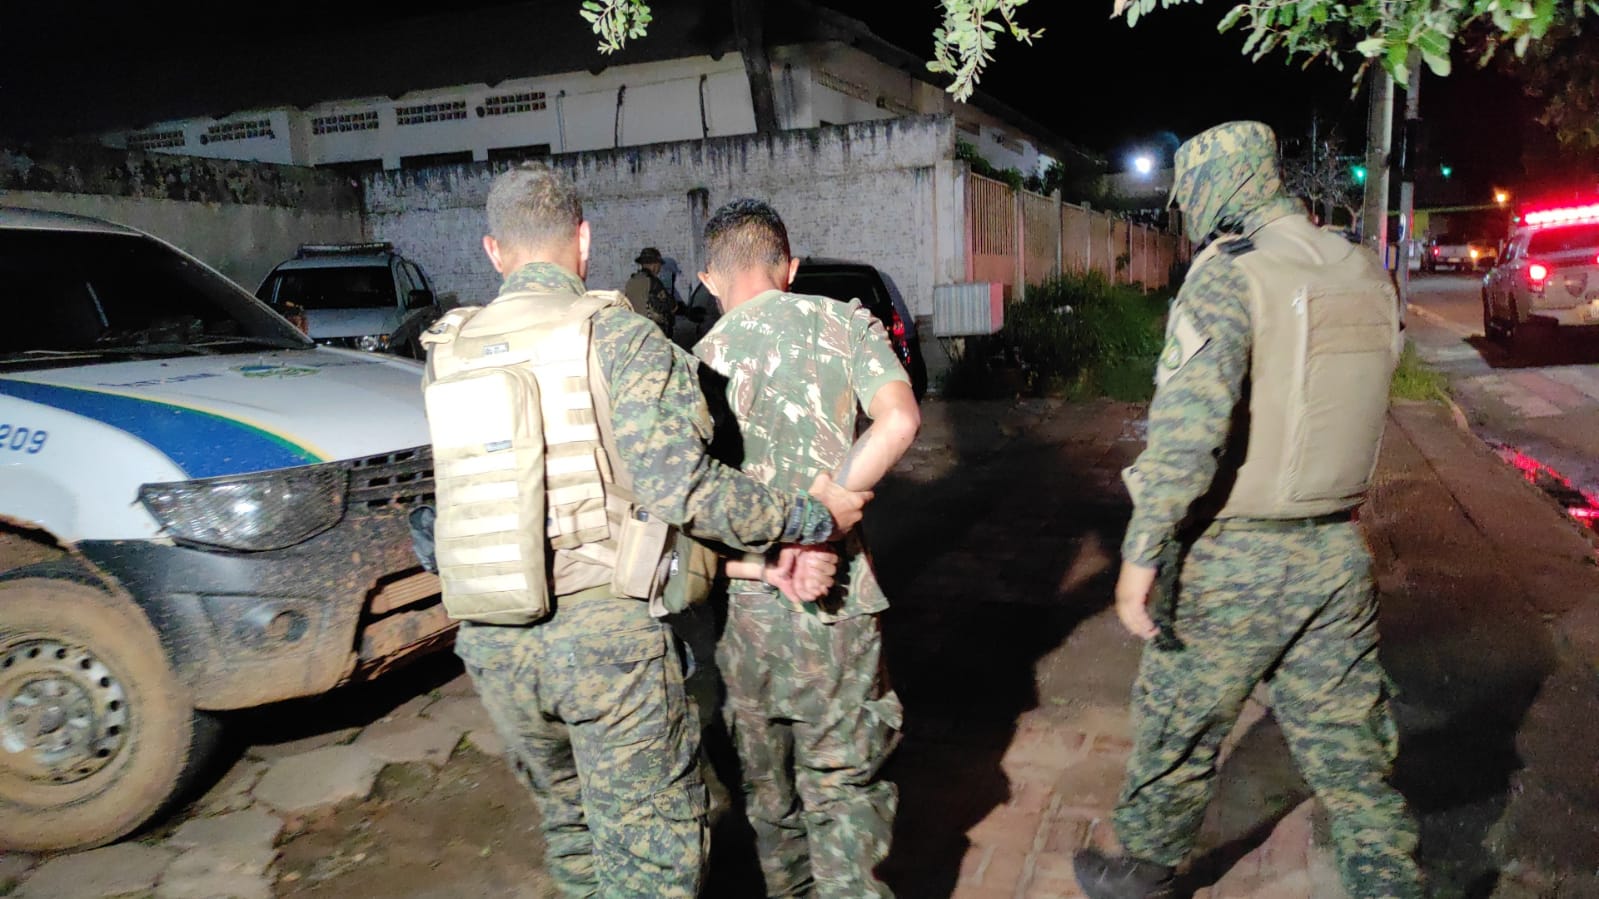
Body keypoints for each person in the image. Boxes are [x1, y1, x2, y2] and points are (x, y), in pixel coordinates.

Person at [440, 164, 871, 899]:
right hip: (603, 646)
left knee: (573, 830)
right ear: (583, 239)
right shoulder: (617, 337)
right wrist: (807, 517)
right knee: (650, 863)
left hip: (492, 644)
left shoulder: (448, 347)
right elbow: (685, 489)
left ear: (492, 250)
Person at [1073, 122, 1420, 898]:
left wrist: (1139, 557)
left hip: (1233, 561)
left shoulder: (1229, 274)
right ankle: (1390, 878)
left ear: (1215, 188)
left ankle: (1138, 869)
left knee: (1178, 725)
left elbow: (1188, 436)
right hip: (1336, 555)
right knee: (1351, 750)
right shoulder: (1361, 270)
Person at [693, 198, 921, 898]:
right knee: (844, 793)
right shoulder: (842, 323)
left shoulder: (694, 362)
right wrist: (824, 516)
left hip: (743, 615)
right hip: (838, 603)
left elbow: (685, 507)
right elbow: (899, 419)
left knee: (769, 801)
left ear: (708, 280)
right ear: (789, 268)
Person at [623, 245, 677, 335]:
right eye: (659, 265)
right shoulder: (653, 282)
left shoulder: (631, 281)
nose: (660, 268)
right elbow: (669, 306)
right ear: (655, 265)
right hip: (652, 332)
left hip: (635, 331)